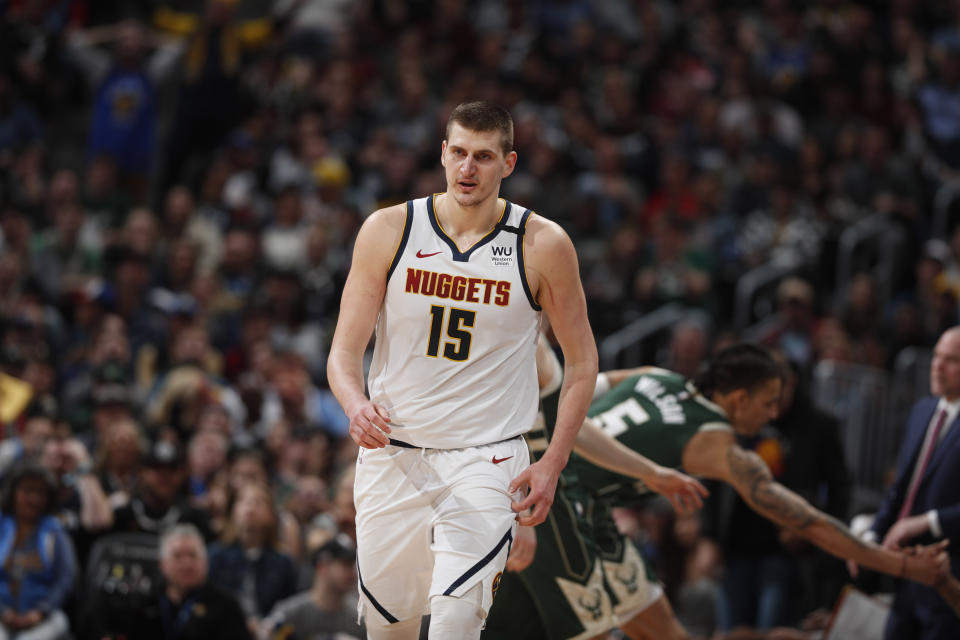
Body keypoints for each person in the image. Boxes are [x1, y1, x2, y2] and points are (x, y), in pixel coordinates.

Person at [326, 100, 598, 640]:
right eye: (459, 153)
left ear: (509, 163)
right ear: (443, 153)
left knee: (454, 622)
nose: (468, 169)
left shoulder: (543, 244)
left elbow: (583, 360)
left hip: (486, 457)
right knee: (390, 633)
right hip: (394, 454)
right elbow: (342, 352)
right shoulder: (390, 229)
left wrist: (552, 463)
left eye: (484, 156)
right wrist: (355, 406)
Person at [484, 342, 950, 640]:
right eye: (768, 404)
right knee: (586, 630)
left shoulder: (652, 376)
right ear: (739, 398)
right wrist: (903, 565)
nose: (770, 417)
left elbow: (571, 397)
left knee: (657, 623)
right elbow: (808, 521)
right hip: (563, 509)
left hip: (547, 491)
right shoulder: (720, 442)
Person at [857, 326, 960, 638]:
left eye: (951, 360)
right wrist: (871, 539)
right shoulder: (922, 410)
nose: (937, 366)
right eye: (936, 356)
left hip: (949, 577)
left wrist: (927, 522)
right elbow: (900, 489)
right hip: (904, 576)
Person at [109, 523, 252, 640]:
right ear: (163, 565)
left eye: (193, 555)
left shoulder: (226, 606)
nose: (187, 564)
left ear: (206, 561)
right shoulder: (145, 603)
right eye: (177, 556)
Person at [0, 464, 75, 640]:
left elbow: (65, 579)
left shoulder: (55, 532)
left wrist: (41, 611)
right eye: (27, 491)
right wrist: (3, 611)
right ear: (13, 493)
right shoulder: (2, 527)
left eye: (40, 493)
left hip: (44, 615)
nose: (33, 499)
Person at [262, 533, 365, 640]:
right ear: (323, 566)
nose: (353, 573)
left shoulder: (360, 620)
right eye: (345, 564)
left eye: (353, 565)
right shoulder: (289, 615)